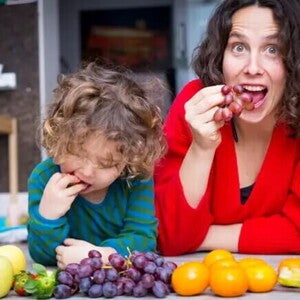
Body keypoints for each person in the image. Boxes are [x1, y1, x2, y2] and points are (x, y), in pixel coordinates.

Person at [154, 0, 300, 256]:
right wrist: (202, 147)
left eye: (272, 49)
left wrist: (204, 237)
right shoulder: (195, 106)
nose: (252, 68)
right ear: (220, 56)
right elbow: (171, 237)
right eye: (239, 47)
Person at [27, 61, 166, 268]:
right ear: (57, 141)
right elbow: (43, 257)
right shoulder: (43, 178)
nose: (88, 171)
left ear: (128, 159)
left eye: (106, 163)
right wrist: (48, 215)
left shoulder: (135, 177)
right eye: (78, 154)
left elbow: (144, 239)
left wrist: (101, 256)